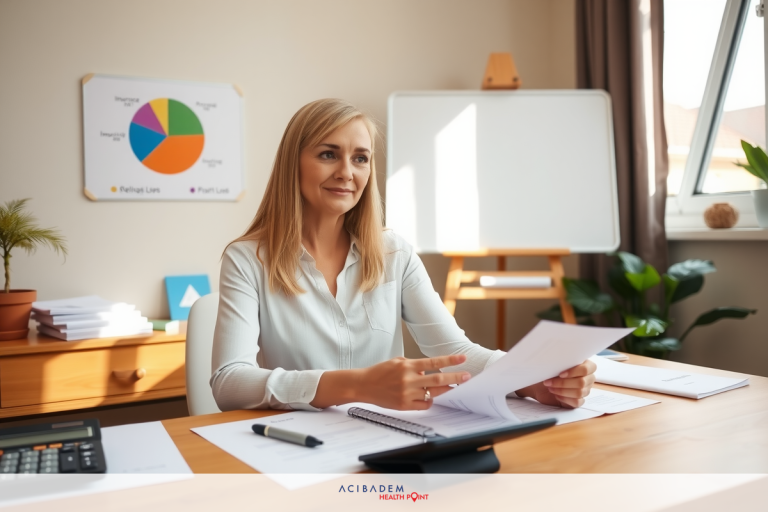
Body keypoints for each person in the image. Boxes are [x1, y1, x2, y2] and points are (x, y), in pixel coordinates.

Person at [211, 98, 596, 412]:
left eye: (361, 158)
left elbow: (456, 352)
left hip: (381, 436)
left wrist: (534, 381)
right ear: (292, 164)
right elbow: (230, 382)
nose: (347, 172)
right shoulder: (247, 260)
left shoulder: (395, 253)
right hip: (292, 444)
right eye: (329, 154)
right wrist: (357, 384)